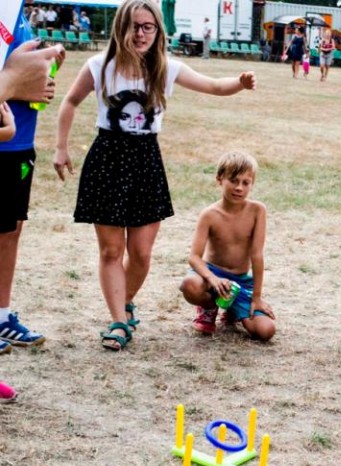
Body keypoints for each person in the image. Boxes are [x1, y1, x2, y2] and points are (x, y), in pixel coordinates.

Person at [53, 0, 256, 351]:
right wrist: (61, 147)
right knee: (111, 251)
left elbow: (212, 86)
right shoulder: (99, 66)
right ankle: (118, 320)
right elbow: (69, 102)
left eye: (148, 27)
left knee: (142, 253)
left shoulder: (165, 68)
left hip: (146, 159)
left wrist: (238, 83)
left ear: (158, 32)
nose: (141, 33)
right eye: (134, 26)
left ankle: (125, 302)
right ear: (121, 27)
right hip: (108, 158)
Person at [0, 1, 65, 354]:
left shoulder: (18, 13)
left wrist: (43, 81)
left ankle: (2, 316)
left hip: (20, 146)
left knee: (11, 231)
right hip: (2, 143)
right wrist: (17, 84)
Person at [179, 151, 276, 340]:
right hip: (212, 277)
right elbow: (194, 257)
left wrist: (256, 298)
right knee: (189, 285)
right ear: (219, 179)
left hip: (240, 282)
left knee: (266, 331)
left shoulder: (258, 211)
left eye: (245, 183)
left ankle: (231, 308)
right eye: (233, 180)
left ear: (251, 184)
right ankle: (209, 307)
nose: (239, 188)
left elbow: (257, 255)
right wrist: (213, 279)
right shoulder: (209, 214)